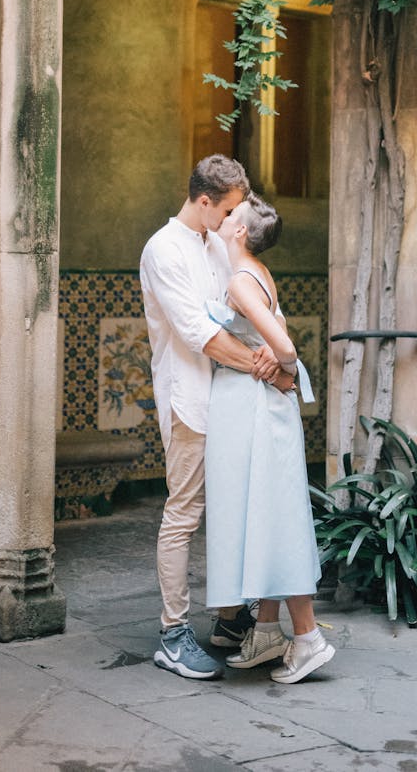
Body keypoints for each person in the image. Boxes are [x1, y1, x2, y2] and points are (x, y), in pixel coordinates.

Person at [140, 155, 296, 681]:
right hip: (191, 400)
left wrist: (276, 346)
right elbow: (197, 333)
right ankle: (173, 632)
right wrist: (267, 367)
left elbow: (252, 302)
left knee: (231, 511)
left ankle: (230, 620)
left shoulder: (216, 242)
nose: (236, 221)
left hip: (233, 399)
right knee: (183, 515)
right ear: (204, 201)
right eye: (229, 210)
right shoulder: (163, 249)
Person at [204, 191, 335, 684]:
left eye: (232, 213)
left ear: (239, 231)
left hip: (255, 409)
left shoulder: (240, 280)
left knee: (273, 517)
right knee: (266, 515)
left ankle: (307, 641)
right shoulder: (257, 271)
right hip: (260, 408)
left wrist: (276, 365)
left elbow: (284, 346)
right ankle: (265, 631)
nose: (225, 213)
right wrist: (274, 365)